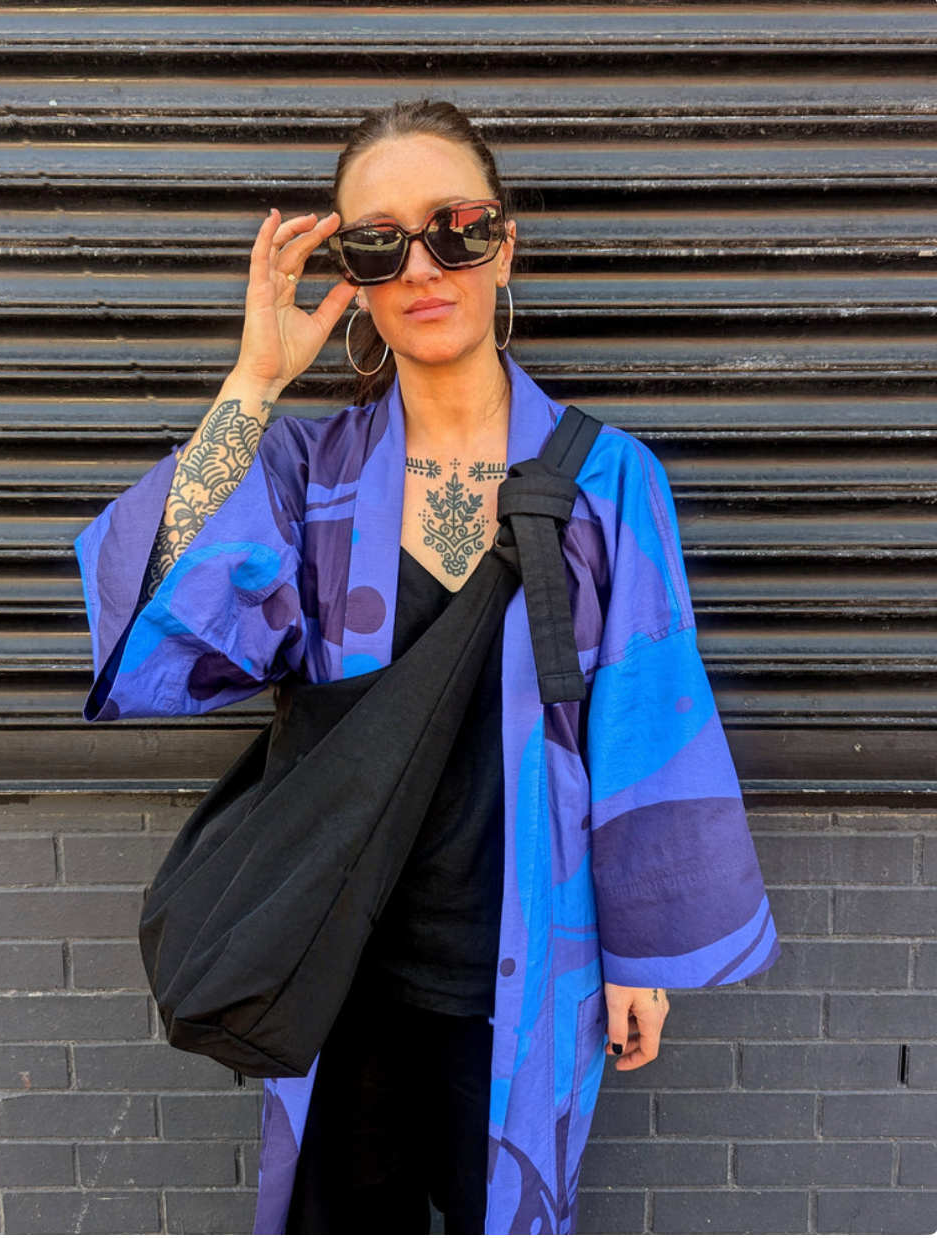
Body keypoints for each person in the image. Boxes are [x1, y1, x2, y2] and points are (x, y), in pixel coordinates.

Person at [76, 100, 779, 1236]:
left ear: (505, 245)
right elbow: (171, 623)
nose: (421, 265)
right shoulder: (310, 474)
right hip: (338, 958)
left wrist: (640, 955)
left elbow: (649, 713)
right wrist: (254, 382)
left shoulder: (609, 479)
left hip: (532, 957)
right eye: (377, 242)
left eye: (456, 227)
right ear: (349, 277)